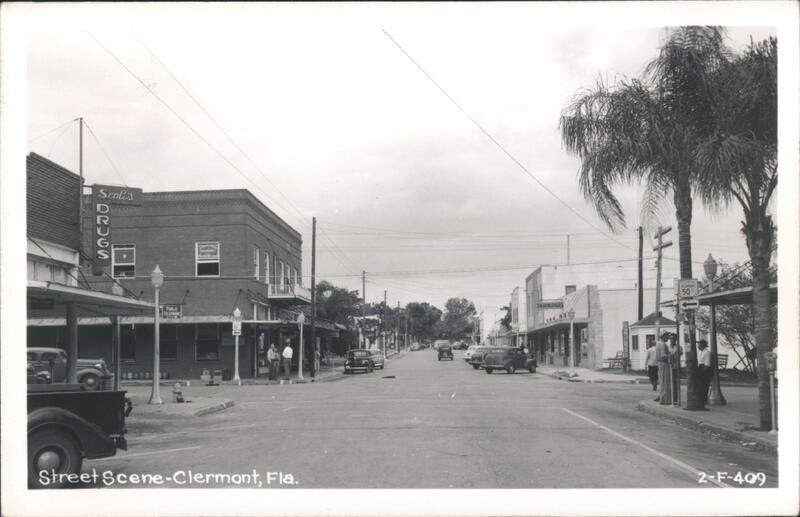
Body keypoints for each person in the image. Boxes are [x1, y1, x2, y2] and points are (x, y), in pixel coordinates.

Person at [655, 332, 673, 404]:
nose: (668, 338)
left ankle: (662, 398)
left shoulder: (658, 343)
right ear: (664, 337)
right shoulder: (662, 344)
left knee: (662, 381)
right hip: (664, 363)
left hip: (660, 363)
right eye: (667, 337)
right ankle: (666, 399)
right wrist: (670, 355)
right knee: (666, 382)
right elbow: (663, 355)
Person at [697, 339, 712, 404]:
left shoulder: (707, 352)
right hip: (700, 368)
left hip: (704, 369)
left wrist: (703, 373)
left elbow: (707, 364)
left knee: (704, 385)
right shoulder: (701, 352)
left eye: (699, 345)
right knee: (701, 385)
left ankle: (704, 399)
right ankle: (701, 398)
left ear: (702, 345)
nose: (698, 346)